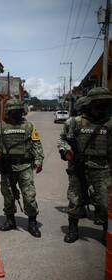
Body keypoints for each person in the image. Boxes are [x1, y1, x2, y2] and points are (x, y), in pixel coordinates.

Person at [58, 87, 112, 244]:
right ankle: (73, 230)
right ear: (89, 104)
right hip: (78, 167)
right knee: (75, 199)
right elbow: (62, 140)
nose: (101, 107)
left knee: (105, 203)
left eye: (105, 103)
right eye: (98, 103)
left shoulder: (109, 124)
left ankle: (106, 233)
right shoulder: (74, 123)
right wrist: (66, 151)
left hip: (103, 169)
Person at [0, 99, 44, 238]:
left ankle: (32, 222)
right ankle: (10, 219)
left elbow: (36, 144)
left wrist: (38, 160)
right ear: (8, 112)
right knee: (8, 194)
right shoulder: (0, 127)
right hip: (7, 166)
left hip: (24, 165)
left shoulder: (29, 126)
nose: (17, 114)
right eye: (14, 111)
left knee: (29, 195)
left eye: (19, 111)